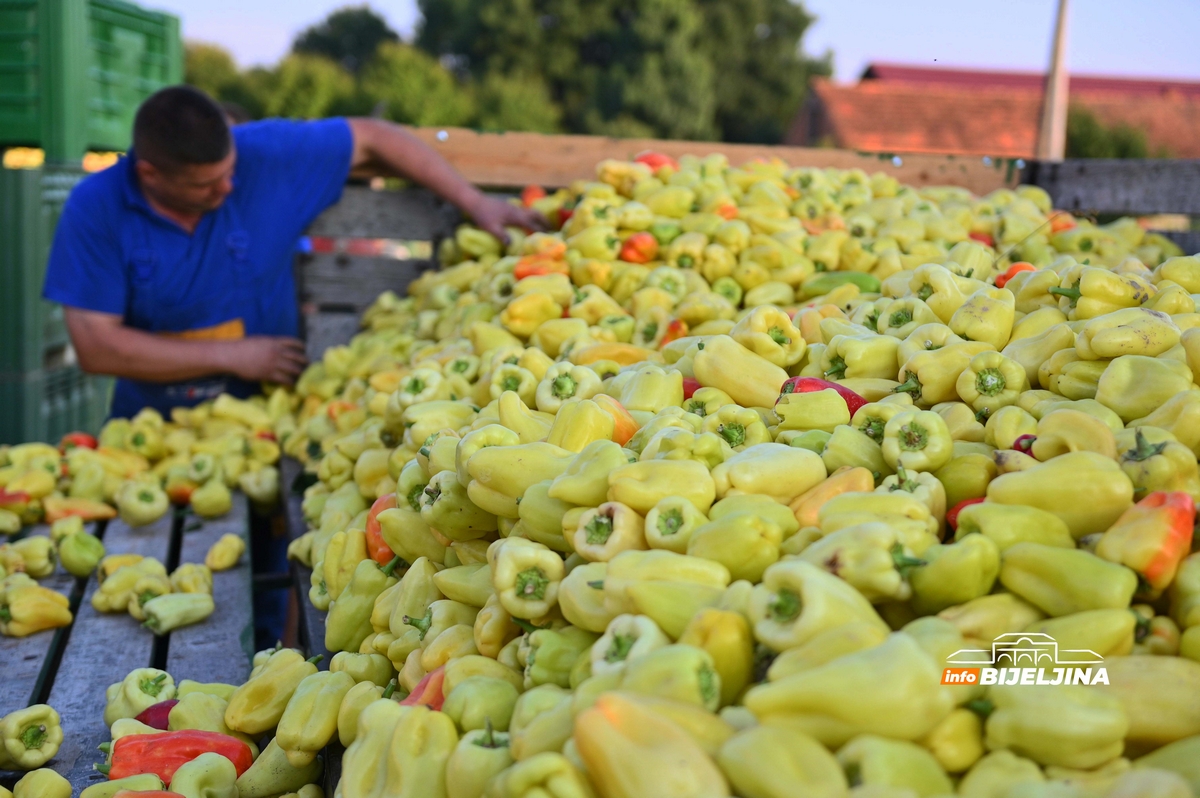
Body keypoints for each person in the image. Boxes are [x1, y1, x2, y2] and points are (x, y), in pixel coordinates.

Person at [44, 85, 544, 419]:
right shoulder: (97, 207)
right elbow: (95, 345)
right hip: (152, 424)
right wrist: (236, 356)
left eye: (230, 170)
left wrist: (476, 202)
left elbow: (374, 137)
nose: (228, 188)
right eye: (207, 185)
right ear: (150, 174)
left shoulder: (264, 153)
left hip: (276, 417)